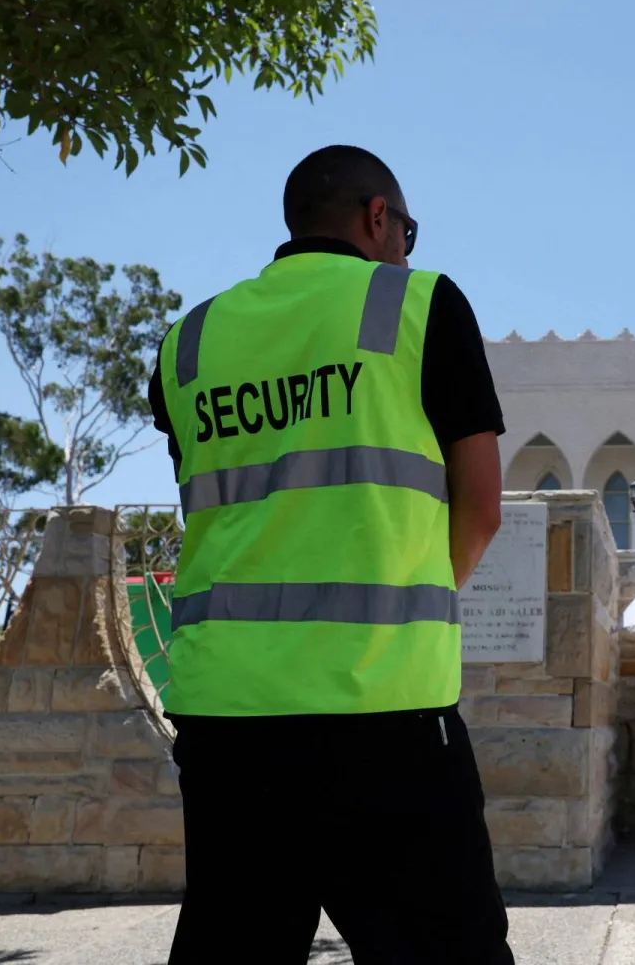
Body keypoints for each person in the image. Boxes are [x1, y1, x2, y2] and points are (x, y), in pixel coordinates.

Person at [149, 145, 515, 963]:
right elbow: (482, 508)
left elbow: (216, 511)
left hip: (228, 724)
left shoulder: (189, 342)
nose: (406, 248)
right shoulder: (421, 306)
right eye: (405, 229)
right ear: (377, 217)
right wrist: (410, 599)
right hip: (384, 717)